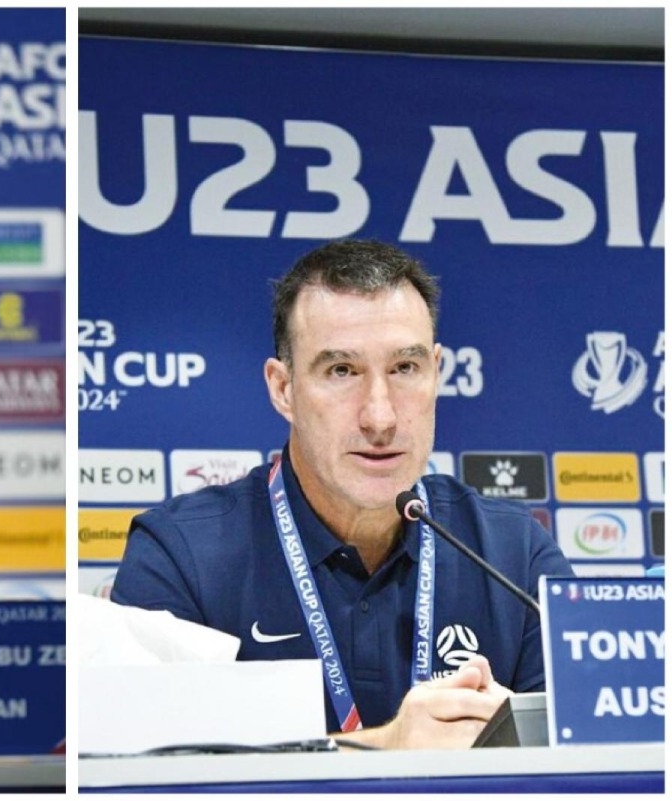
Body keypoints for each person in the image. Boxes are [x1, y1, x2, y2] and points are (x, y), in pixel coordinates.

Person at [110, 239, 572, 749]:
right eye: (341, 371)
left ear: (436, 372)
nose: (381, 417)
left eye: (404, 368)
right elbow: (149, 773)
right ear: (282, 389)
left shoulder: (515, 555)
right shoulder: (180, 555)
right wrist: (384, 749)